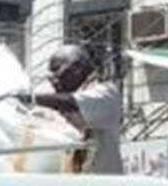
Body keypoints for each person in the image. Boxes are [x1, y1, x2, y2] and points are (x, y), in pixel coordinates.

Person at [30, 44, 122, 174]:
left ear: (77, 68)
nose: (51, 77)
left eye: (56, 69)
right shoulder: (54, 104)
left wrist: (31, 98)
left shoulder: (107, 93)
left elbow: (72, 103)